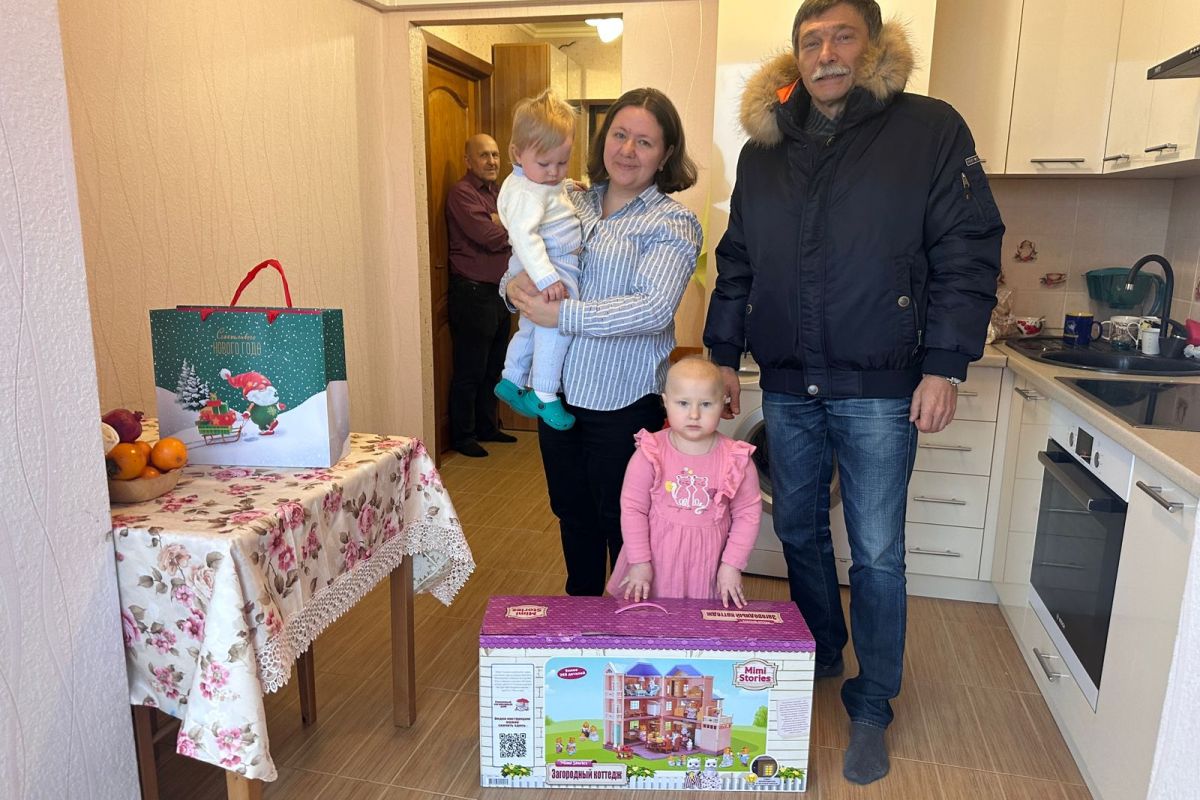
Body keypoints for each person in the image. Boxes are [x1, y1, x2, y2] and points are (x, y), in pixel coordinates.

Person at [703, 0, 1002, 786]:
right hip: (788, 380)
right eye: (811, 41)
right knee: (796, 529)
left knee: (874, 551)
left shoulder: (929, 129)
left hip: (880, 383)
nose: (826, 53)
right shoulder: (765, 149)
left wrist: (944, 364)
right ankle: (822, 648)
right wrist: (722, 355)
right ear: (795, 55)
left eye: (842, 37)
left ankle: (872, 703)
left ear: (872, 47)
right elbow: (738, 258)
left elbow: (969, 247)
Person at [505, 87, 703, 596]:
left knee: (625, 521)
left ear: (665, 154)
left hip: (622, 401)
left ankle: (630, 621)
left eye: (645, 142)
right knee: (571, 513)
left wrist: (563, 314)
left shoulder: (672, 222)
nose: (627, 150)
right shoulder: (569, 198)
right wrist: (512, 288)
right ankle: (583, 615)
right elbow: (524, 257)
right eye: (619, 135)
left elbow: (653, 308)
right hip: (557, 394)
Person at [606, 357, 760, 609]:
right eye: (683, 403)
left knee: (701, 625)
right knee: (645, 622)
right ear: (666, 402)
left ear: (723, 402)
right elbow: (633, 509)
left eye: (706, 404)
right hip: (654, 563)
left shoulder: (736, 459)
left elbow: (747, 515)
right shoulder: (650, 452)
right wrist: (640, 561)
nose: (694, 414)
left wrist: (731, 565)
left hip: (707, 567)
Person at [493, 89, 583, 431]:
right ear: (517, 153)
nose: (553, 172)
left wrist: (568, 186)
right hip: (551, 262)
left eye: (563, 162)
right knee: (554, 327)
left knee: (530, 326)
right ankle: (545, 394)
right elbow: (525, 236)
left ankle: (512, 378)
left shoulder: (530, 181)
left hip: (539, 263)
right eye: (545, 164)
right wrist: (547, 278)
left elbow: (549, 192)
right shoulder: (528, 193)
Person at [444, 133, 518, 458]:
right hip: (473, 293)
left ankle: (488, 427)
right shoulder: (462, 193)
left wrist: (502, 220)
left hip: (500, 293)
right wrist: (506, 224)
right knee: (470, 369)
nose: (492, 161)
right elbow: (489, 237)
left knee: (494, 367)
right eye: (484, 155)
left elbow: (521, 226)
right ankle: (463, 436)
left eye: (495, 155)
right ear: (468, 160)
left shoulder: (499, 193)